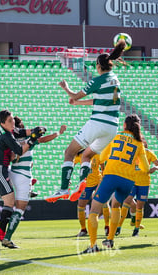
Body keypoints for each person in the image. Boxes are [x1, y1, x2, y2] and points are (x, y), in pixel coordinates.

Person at [45, 40, 127, 203]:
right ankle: (82, 181)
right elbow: (99, 100)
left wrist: (65, 88)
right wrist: (78, 103)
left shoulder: (98, 80)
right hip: (112, 127)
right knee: (87, 156)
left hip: (98, 123)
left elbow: (75, 95)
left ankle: (63, 189)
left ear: (98, 65)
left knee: (69, 152)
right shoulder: (115, 80)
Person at [81, 114, 150, 253]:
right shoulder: (139, 144)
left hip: (111, 175)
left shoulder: (116, 137)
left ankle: (93, 245)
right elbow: (146, 168)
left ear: (124, 125)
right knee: (116, 206)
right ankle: (110, 239)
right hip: (128, 180)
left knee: (94, 210)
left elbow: (102, 157)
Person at [3, 116, 66, 247]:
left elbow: (11, 157)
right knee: (20, 209)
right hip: (23, 176)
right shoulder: (28, 140)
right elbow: (43, 139)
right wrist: (58, 133)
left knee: (9, 204)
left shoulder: (10, 139)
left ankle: (2, 232)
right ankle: (7, 237)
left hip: (12, 172)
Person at [0, 109, 46, 248]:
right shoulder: (6, 136)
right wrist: (32, 140)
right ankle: (1, 235)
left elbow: (23, 131)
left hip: (6, 170)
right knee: (10, 202)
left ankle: (2, 235)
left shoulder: (10, 131)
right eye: (10, 121)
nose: (13, 123)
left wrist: (36, 130)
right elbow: (18, 151)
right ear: (2, 123)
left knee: (10, 202)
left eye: (13, 119)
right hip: (0, 170)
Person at [116, 137, 158, 237]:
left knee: (139, 206)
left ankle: (136, 229)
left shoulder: (149, 153)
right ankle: (118, 227)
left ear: (145, 143)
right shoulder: (131, 152)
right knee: (126, 201)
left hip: (144, 183)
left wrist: (155, 168)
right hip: (132, 182)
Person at [75, 153, 110, 237]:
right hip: (86, 184)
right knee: (80, 205)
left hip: (98, 181)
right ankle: (83, 229)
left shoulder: (97, 155)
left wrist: (104, 180)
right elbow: (71, 164)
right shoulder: (79, 155)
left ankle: (107, 227)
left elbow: (103, 169)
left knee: (104, 202)